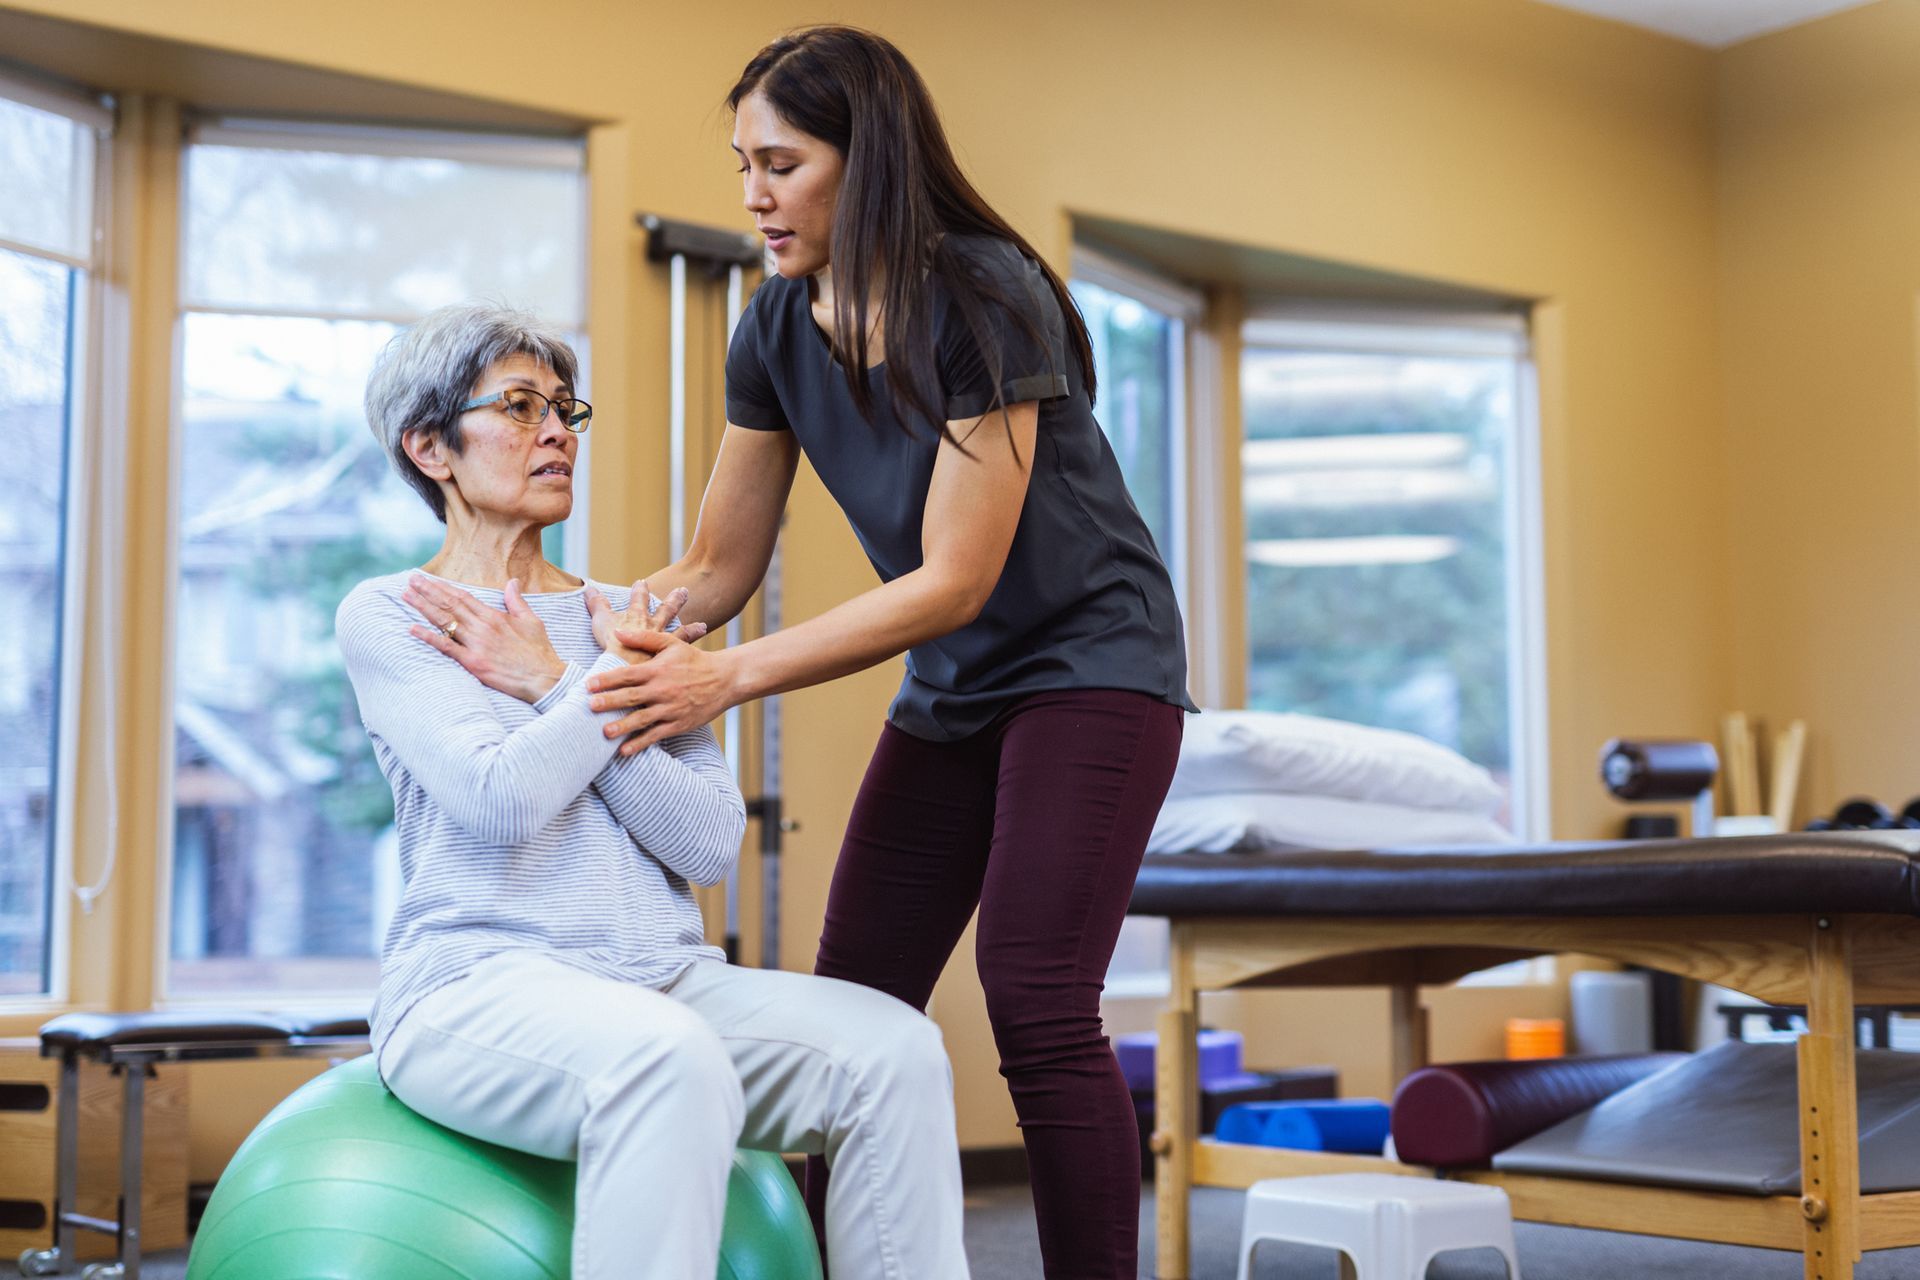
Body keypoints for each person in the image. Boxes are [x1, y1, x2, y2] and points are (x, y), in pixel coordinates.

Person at [335, 302, 970, 1280]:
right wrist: (595, 685)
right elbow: (499, 799)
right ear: (431, 447)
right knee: (665, 1057)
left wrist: (557, 677)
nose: (555, 431)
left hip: (661, 981)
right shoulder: (396, 612)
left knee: (893, 1051)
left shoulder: (625, 618)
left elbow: (709, 840)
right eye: (517, 405)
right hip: (476, 987)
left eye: (563, 407)